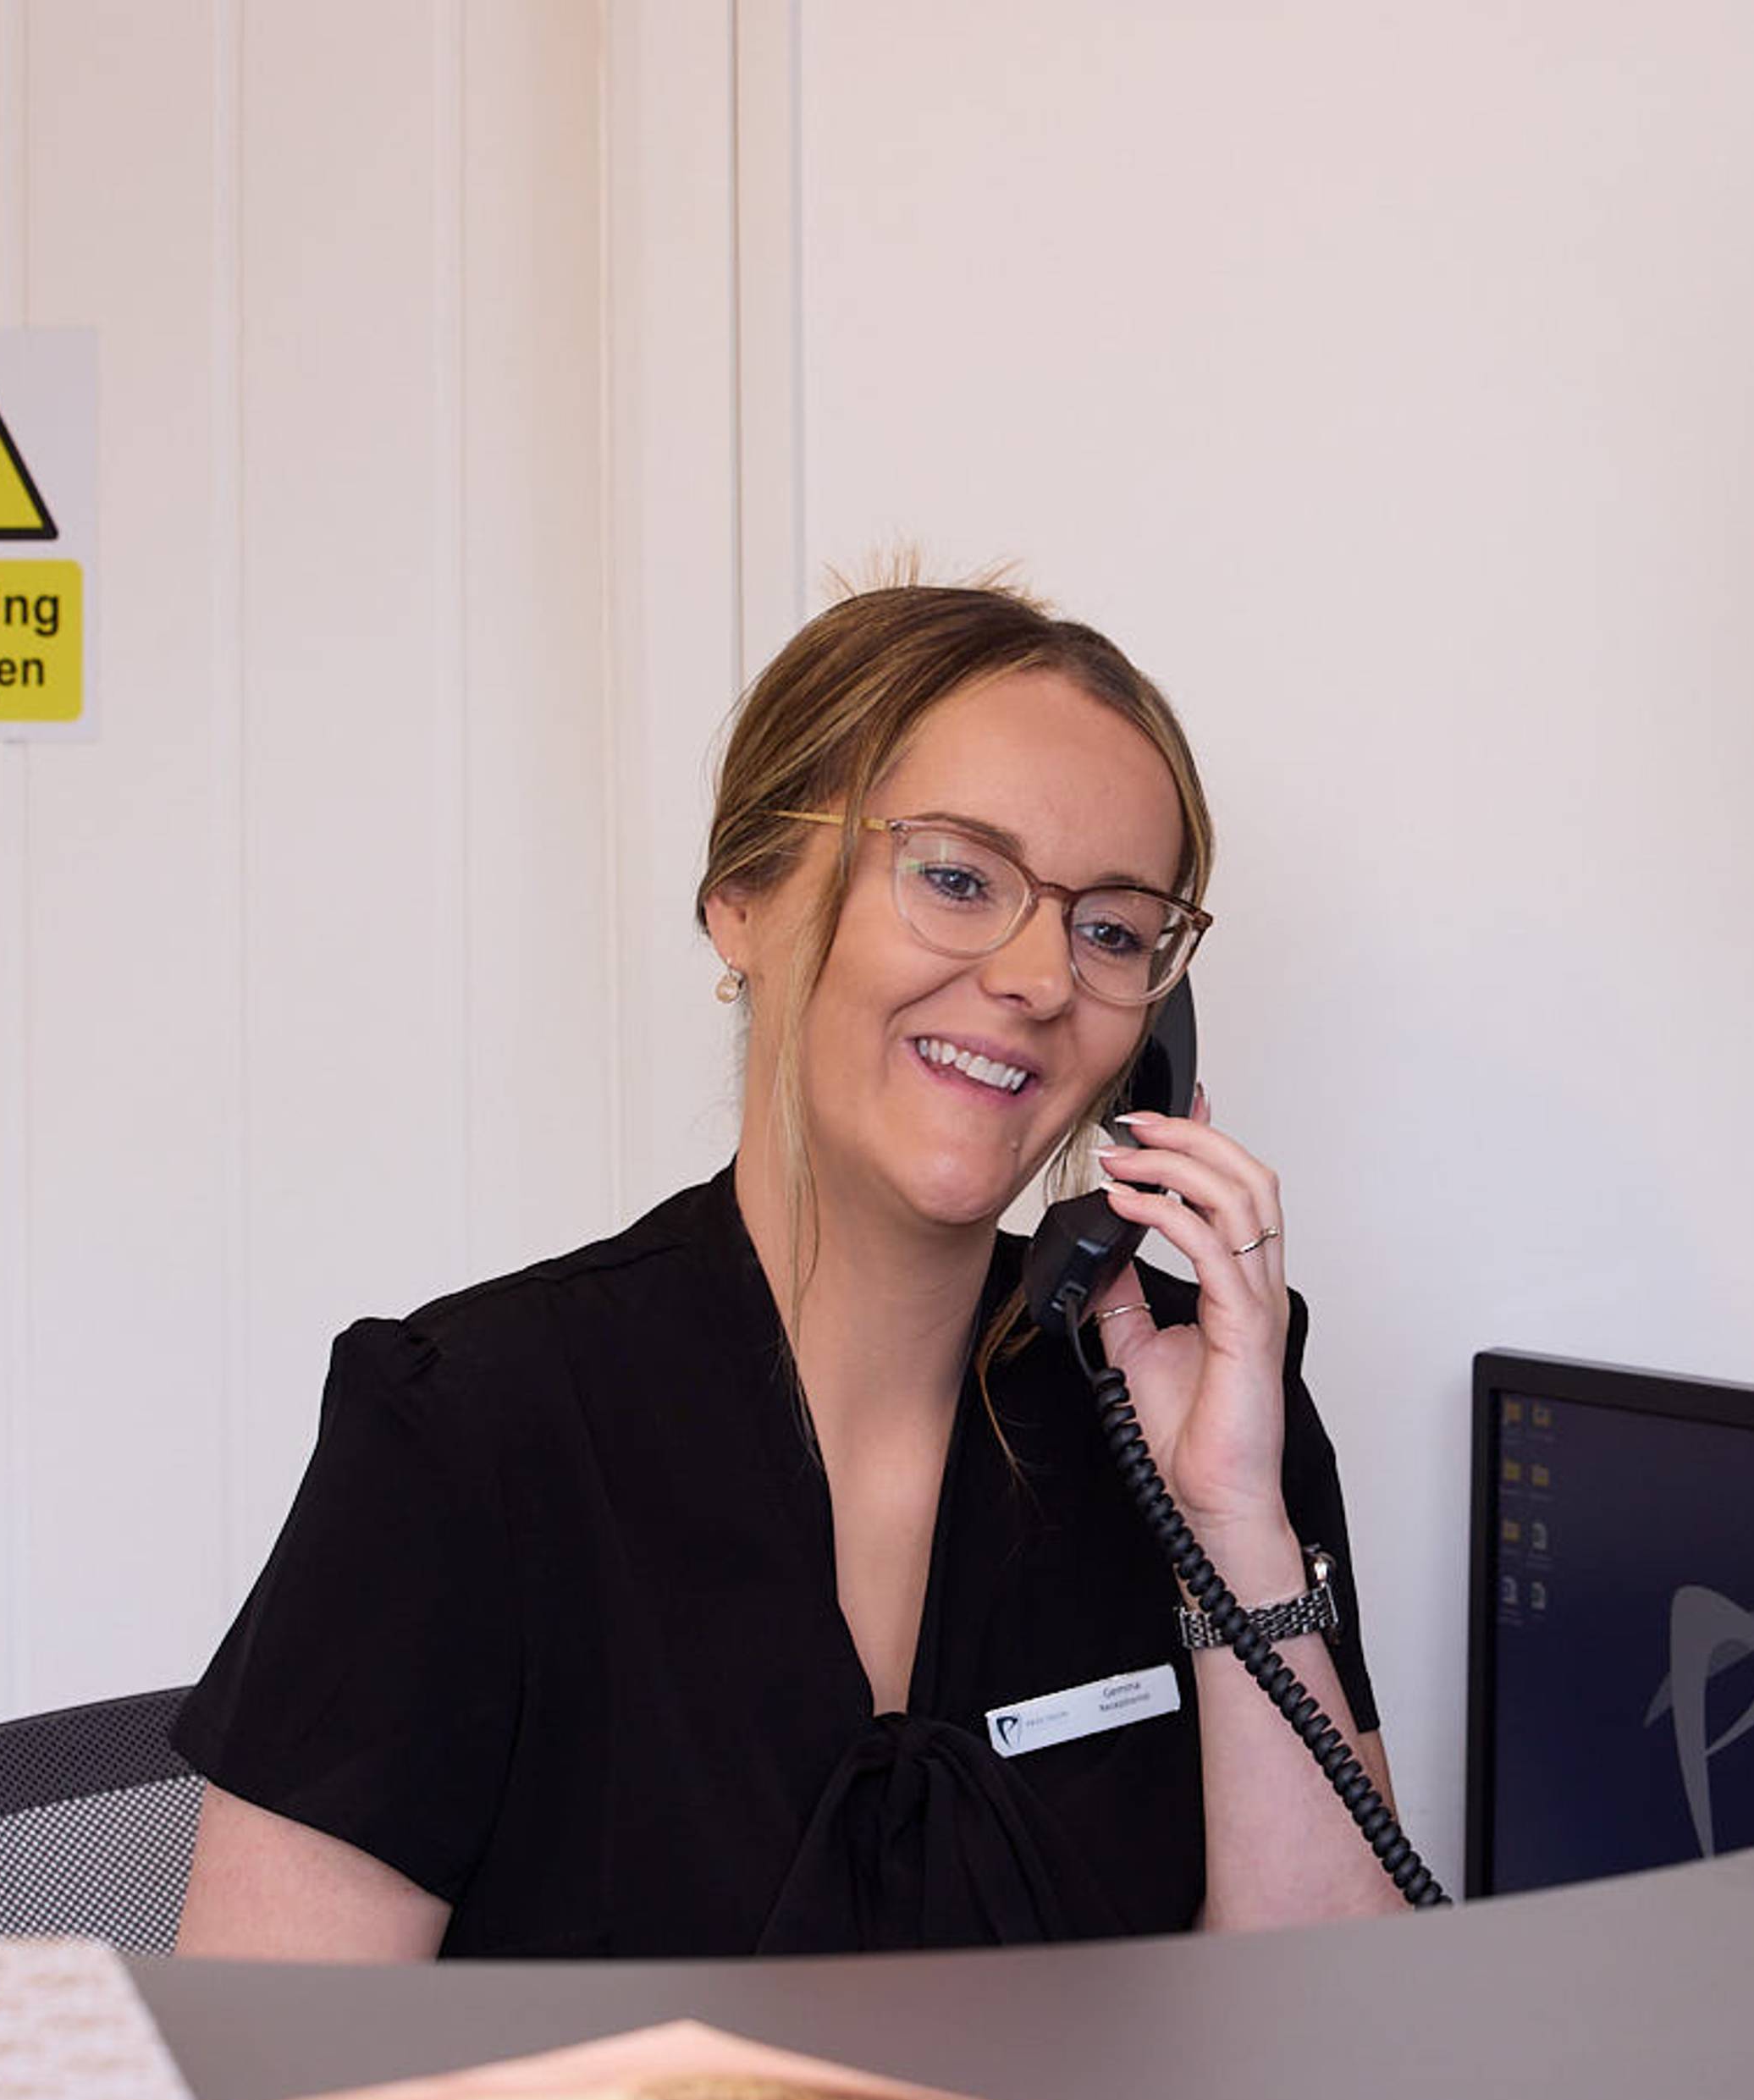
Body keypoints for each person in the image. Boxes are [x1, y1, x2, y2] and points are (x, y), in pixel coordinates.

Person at [168, 580, 1401, 1959]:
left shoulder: (1194, 1401)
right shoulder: (471, 1429)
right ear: (744, 899)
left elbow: (1332, 2046)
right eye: (956, 877)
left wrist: (1231, 1522)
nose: (1043, 977)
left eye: (1112, 929)